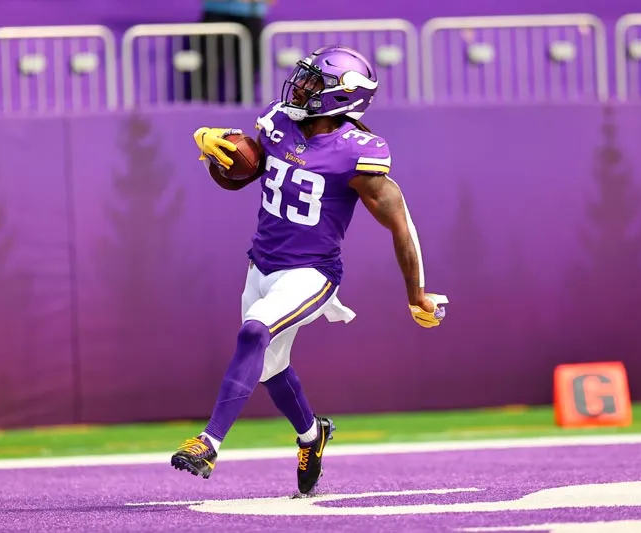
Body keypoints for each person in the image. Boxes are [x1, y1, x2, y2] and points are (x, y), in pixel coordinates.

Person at [171, 45, 448, 496]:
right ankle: (311, 435)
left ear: (341, 96)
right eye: (302, 78)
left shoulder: (357, 152)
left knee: (253, 332)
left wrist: (416, 292)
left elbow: (402, 223)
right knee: (269, 369)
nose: (300, 87)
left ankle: (208, 442)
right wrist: (215, 145)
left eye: (313, 82)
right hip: (261, 263)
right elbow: (245, 165)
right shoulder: (280, 119)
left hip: (311, 273)